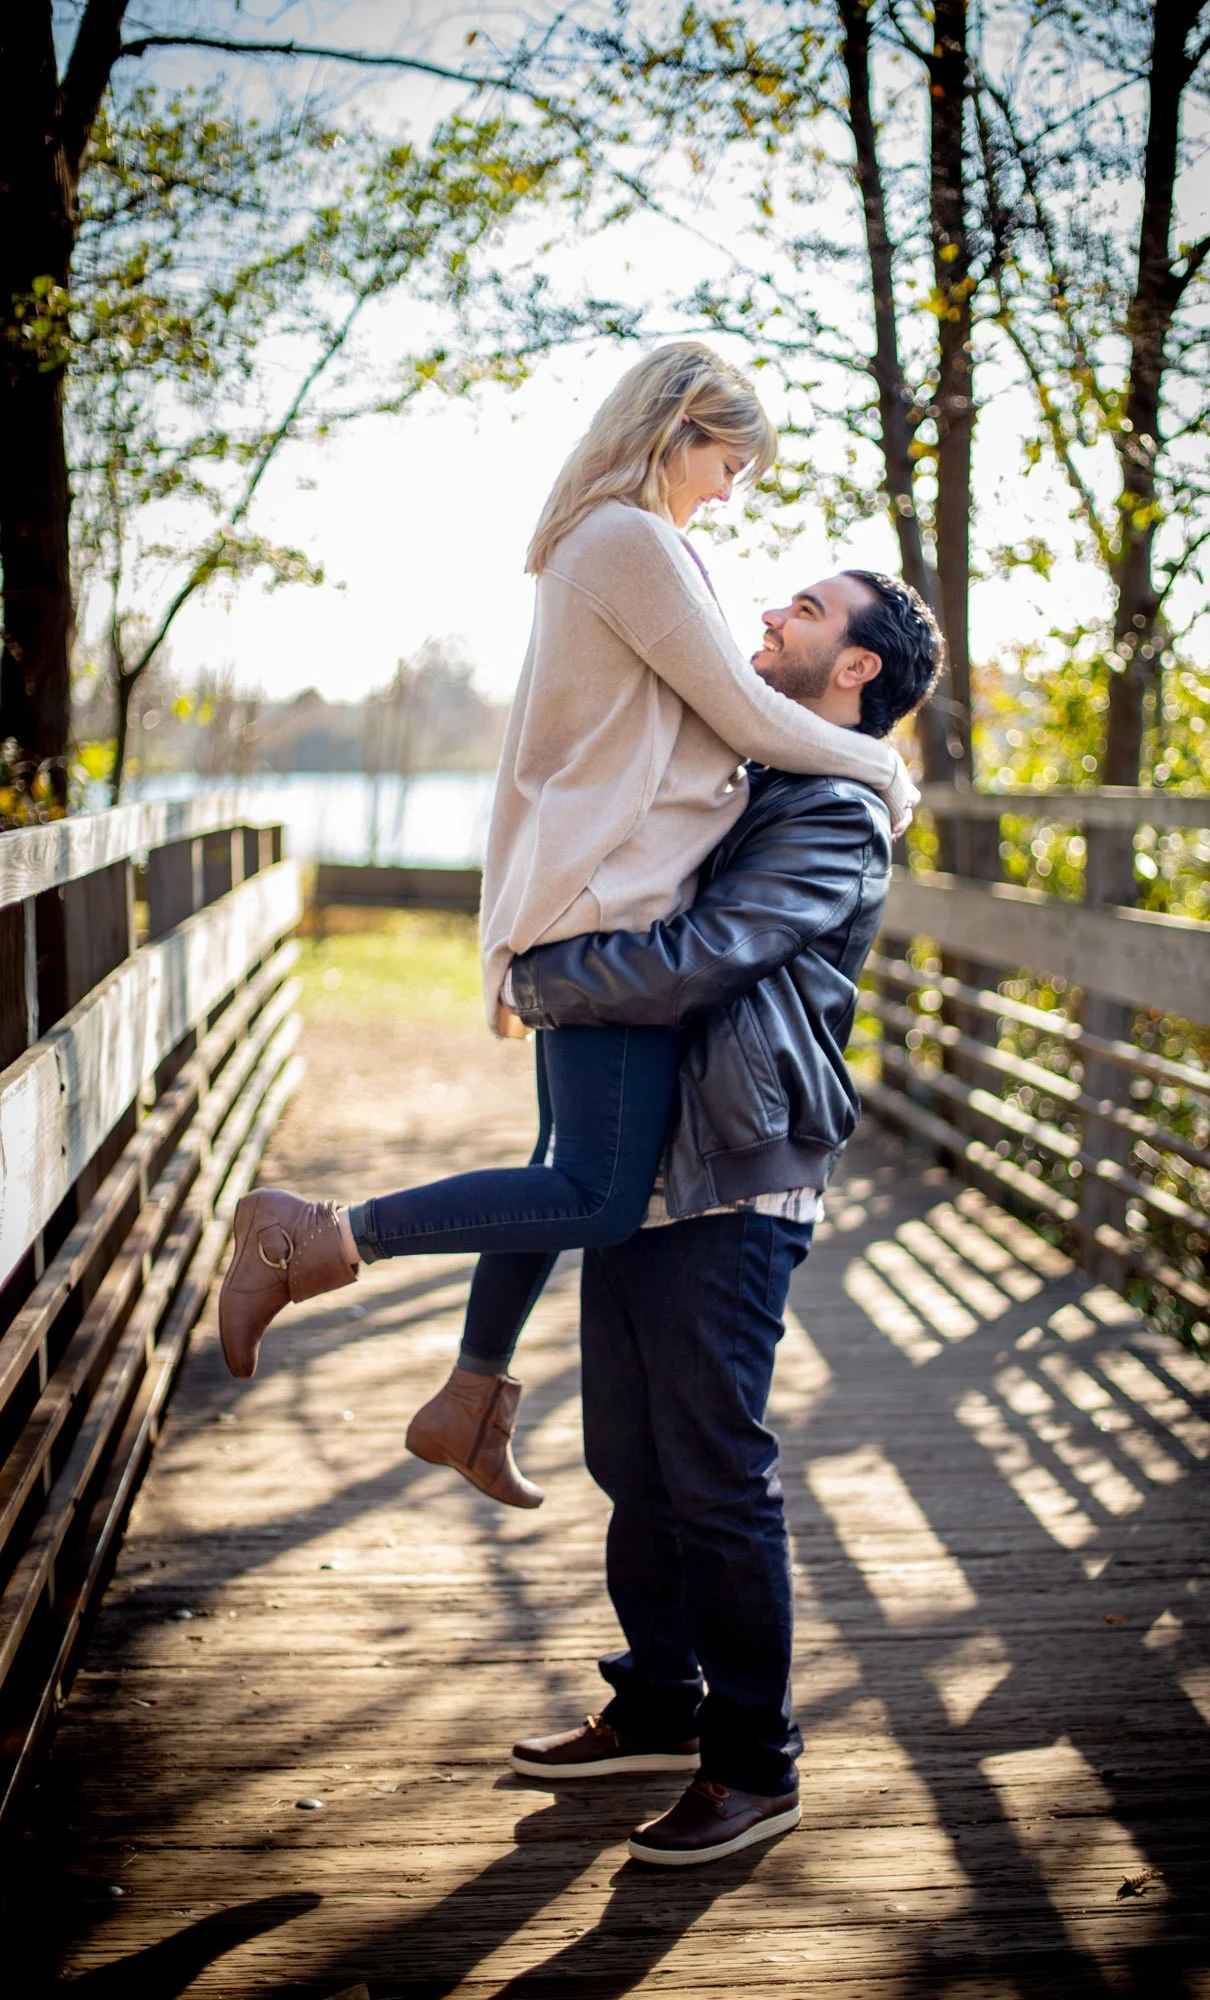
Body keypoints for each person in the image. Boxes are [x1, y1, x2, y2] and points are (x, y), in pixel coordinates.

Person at [217, 345, 917, 1507]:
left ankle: (471, 1397)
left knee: (564, 1170)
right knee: (595, 1192)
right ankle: (313, 1235)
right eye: (729, 462)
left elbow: (715, 726)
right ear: (678, 428)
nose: (731, 489)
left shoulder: (623, 542)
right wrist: (878, 767)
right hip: (611, 908)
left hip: (606, 895)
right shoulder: (625, 541)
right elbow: (742, 710)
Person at [505, 568, 943, 1865]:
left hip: (738, 1163)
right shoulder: (756, 769)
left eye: (804, 611)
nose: (767, 619)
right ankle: (657, 1703)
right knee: (629, 1458)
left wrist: (549, 978)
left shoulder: (836, 807)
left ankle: (757, 1763)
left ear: (858, 667)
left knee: (712, 1470)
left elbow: (706, 952)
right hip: (650, 1152)